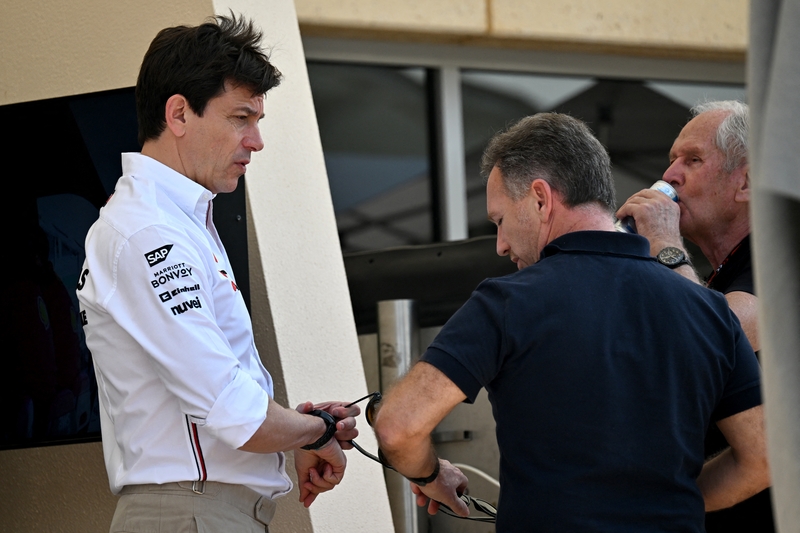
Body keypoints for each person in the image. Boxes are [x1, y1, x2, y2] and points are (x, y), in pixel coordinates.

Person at [370, 113, 770, 532]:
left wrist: (431, 476)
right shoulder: (708, 310)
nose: (501, 245)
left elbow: (399, 426)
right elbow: (763, 456)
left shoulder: (507, 301)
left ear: (541, 199)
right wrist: (671, 501)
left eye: (501, 221)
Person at [76, 15, 359, 532]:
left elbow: (227, 402)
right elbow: (236, 413)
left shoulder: (173, 222)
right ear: (179, 114)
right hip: (190, 513)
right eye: (240, 118)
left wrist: (302, 431)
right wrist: (314, 430)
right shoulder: (149, 233)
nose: (256, 141)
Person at [616, 100, 774, 531]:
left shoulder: (780, 256)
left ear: (745, 182)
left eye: (693, 160)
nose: (669, 176)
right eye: (671, 161)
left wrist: (665, 242)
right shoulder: (714, 277)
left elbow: (714, 332)